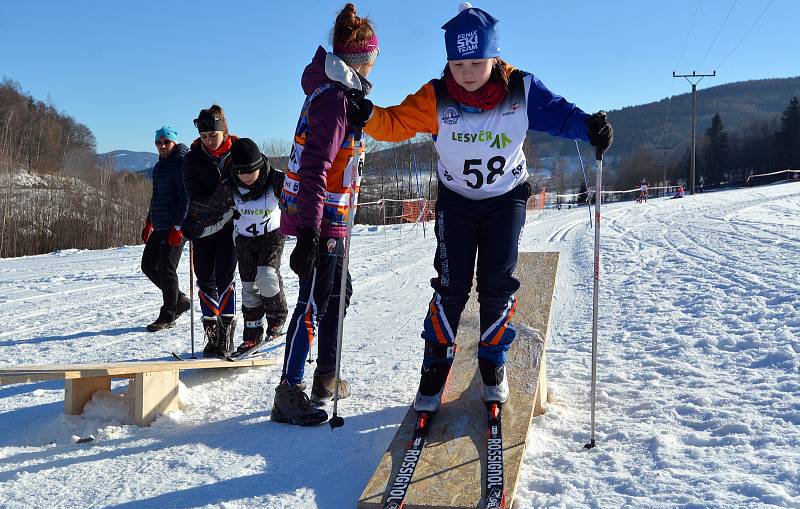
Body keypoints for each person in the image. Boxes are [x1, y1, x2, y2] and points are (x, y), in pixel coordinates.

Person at [347, 3, 613, 413]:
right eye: (457, 63)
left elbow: (561, 116)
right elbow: (394, 123)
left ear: (494, 56)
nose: (467, 73)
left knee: (496, 282)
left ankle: (492, 364)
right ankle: (435, 366)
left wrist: (589, 126)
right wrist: (368, 116)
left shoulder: (521, 89)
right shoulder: (435, 97)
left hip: (505, 200)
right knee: (451, 286)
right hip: (456, 202)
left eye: (476, 61)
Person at [273, 2, 378, 426]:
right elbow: (316, 168)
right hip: (322, 220)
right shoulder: (334, 98)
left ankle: (326, 376)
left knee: (339, 294)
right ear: (362, 60)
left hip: (336, 216)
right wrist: (310, 235)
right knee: (313, 302)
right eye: (373, 59)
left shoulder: (340, 93)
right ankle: (289, 390)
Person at [181, 105, 238, 358]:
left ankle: (227, 335)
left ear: (224, 131)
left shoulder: (238, 152)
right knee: (204, 277)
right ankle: (212, 332)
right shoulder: (193, 158)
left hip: (231, 226)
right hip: (204, 225)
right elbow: (194, 194)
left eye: (212, 136)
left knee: (225, 275)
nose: (208, 141)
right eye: (204, 137)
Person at [223, 138, 288, 353]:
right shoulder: (230, 183)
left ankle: (277, 318)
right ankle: (252, 334)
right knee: (249, 288)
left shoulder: (276, 179)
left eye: (250, 172)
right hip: (244, 239)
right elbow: (210, 208)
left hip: (272, 235)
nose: (246, 178)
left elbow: (299, 199)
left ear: (259, 166)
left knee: (267, 277)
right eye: (241, 173)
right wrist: (193, 222)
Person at [140, 126, 190, 332]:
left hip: (175, 227)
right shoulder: (160, 165)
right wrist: (149, 221)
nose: (162, 146)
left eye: (166, 142)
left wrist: (178, 226)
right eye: (158, 142)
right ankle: (179, 300)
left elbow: (186, 197)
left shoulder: (180, 163)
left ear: (174, 142)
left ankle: (168, 314)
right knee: (148, 265)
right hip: (159, 224)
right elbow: (156, 196)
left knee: (167, 269)